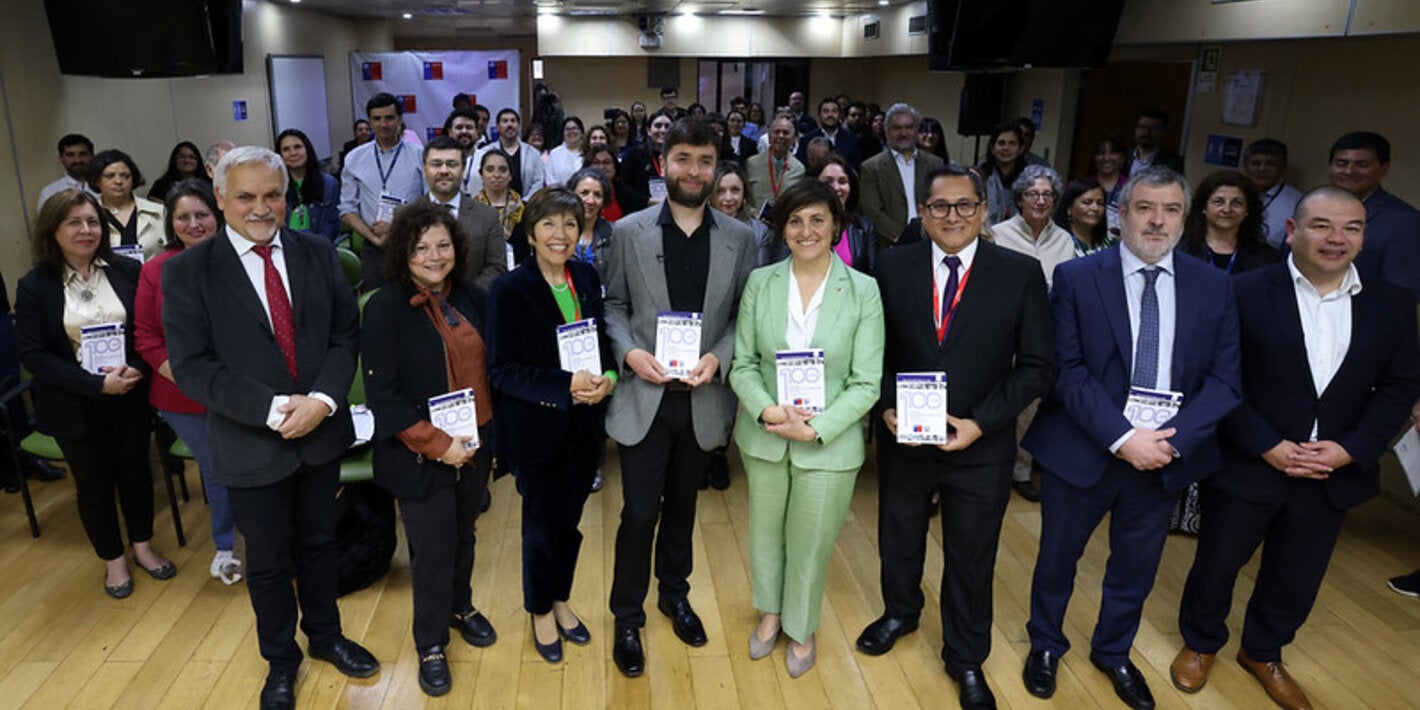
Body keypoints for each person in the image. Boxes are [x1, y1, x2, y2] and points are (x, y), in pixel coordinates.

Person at [1171, 187, 1420, 710]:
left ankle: (1263, 651)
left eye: (1351, 228)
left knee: (1297, 574)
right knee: (1217, 564)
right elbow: (1220, 379)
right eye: (1322, 225)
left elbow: (1399, 388)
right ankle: (1201, 642)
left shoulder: (1392, 303)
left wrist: (1350, 449)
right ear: (1292, 231)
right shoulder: (1242, 291)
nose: (1336, 238)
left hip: (1330, 471)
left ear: (1363, 236)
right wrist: (1266, 444)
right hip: (1250, 461)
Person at [1021, 166, 1241, 710]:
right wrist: (1124, 437)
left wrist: (1170, 439)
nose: (1157, 220)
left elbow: (1225, 380)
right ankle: (1046, 643)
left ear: (1185, 219)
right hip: (1084, 447)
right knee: (1057, 558)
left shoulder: (1214, 286)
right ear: (1121, 214)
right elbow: (1067, 370)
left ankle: (1113, 651)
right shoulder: (1077, 278)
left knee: (1136, 566)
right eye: (1144, 207)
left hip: (1165, 454)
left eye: (1170, 209)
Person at [164, 147, 376, 710]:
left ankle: (327, 637)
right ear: (220, 200)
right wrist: (278, 408)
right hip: (251, 437)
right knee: (269, 563)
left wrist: (325, 400)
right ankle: (281, 660)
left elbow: (343, 336)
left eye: (273, 195)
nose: (262, 208)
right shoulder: (187, 271)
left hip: (321, 431)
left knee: (320, 544)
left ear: (287, 196)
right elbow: (193, 366)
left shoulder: (317, 252)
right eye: (247, 197)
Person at [858, 165, 1054, 710]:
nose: (954, 216)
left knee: (972, 554)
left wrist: (980, 423)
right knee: (898, 534)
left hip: (979, 442)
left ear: (984, 210)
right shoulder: (891, 267)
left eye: (965, 205)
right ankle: (900, 611)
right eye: (940, 207)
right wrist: (885, 406)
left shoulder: (1019, 273)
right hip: (905, 436)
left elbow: (1037, 366)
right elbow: (869, 350)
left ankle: (965, 657)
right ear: (923, 212)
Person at [603, 116, 757, 678]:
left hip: (704, 396)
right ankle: (626, 614)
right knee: (639, 511)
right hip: (645, 396)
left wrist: (721, 353)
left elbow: (746, 313)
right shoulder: (629, 232)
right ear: (662, 163)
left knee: (685, 507)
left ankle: (674, 592)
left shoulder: (743, 239)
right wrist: (627, 354)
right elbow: (613, 305)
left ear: (718, 168)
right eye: (684, 159)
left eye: (705, 161)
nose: (694, 171)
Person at [730, 179, 884, 678]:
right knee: (765, 535)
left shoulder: (863, 290)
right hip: (767, 433)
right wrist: (767, 412)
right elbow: (743, 365)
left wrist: (818, 427)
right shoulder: (761, 282)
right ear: (782, 228)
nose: (806, 230)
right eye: (795, 220)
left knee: (812, 539)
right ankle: (770, 613)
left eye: (818, 219)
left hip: (829, 442)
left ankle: (801, 624)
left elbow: (866, 382)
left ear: (837, 225)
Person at [362, 201, 500, 697]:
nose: (434, 256)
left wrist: (481, 440)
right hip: (420, 450)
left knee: (465, 535)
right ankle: (431, 642)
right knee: (432, 549)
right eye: (421, 247)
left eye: (443, 245)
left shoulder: (470, 295)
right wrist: (439, 445)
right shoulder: (383, 306)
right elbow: (385, 396)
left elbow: (491, 369)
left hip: (475, 442)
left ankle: (460, 607)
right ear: (403, 252)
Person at [15, 189, 171, 599]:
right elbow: (34, 354)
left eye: (92, 222)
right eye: (74, 222)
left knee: (136, 474)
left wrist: (134, 368)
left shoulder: (126, 271)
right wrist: (96, 384)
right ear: (53, 230)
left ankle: (142, 546)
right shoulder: (35, 286)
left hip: (130, 393)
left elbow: (148, 331)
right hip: (75, 403)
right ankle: (113, 560)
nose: (86, 230)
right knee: (94, 484)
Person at [487, 187, 616, 665]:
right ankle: (541, 608)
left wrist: (610, 379)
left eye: (568, 224)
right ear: (530, 232)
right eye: (548, 225)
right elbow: (502, 370)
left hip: (585, 425)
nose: (559, 235)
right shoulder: (509, 289)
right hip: (537, 430)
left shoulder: (584, 275)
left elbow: (601, 343)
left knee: (570, 524)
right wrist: (566, 384)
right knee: (542, 526)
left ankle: (561, 598)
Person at [133, 180, 241, 585]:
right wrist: (186, 375)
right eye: (184, 217)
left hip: (242, 386)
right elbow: (145, 335)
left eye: (202, 214)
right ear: (171, 223)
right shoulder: (156, 271)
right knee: (217, 465)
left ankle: (267, 540)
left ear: (218, 215)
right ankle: (228, 545)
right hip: (181, 392)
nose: (194, 223)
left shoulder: (241, 260)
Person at [990, 165, 1075, 504]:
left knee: (1030, 406)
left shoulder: (1064, 240)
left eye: (1047, 195)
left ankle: (1022, 470)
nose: (1040, 200)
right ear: (1020, 199)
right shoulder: (998, 234)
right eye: (1032, 194)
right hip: (1003, 335)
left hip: (1043, 336)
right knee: (999, 402)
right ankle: (994, 468)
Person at [340, 92, 427, 289]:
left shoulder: (419, 156)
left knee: (414, 303)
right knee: (378, 304)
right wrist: (374, 240)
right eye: (376, 119)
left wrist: (396, 225)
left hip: (411, 242)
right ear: (370, 122)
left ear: (400, 120)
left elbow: (427, 202)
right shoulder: (354, 158)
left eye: (389, 118)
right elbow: (347, 210)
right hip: (373, 246)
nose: (383, 124)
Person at [1328, 131, 1420, 301]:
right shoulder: (1312, 207)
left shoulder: (1405, 222)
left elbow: (1402, 295)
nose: (1349, 171)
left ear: (1383, 169)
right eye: (1341, 163)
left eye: (1361, 164)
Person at [407, 136, 506, 290]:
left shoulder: (488, 216)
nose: (444, 171)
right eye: (436, 164)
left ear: (463, 170)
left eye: (452, 164)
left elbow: (497, 267)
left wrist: (467, 299)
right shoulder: (406, 216)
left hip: (474, 306)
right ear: (425, 170)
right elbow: (400, 267)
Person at [860, 103, 946, 245]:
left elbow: (940, 201)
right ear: (886, 131)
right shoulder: (871, 167)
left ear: (917, 130)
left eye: (909, 127)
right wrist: (903, 237)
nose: (904, 133)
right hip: (891, 243)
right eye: (897, 128)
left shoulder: (935, 163)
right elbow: (872, 210)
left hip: (930, 239)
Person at [1181, 170, 1281, 275]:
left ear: (1247, 210)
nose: (1227, 209)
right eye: (1218, 202)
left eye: (1236, 203)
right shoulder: (1180, 249)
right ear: (1204, 207)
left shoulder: (1268, 258)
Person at [88, 149, 165, 261]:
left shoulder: (158, 211)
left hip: (154, 276)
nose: (118, 181)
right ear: (96, 181)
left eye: (125, 176)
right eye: (110, 176)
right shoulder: (89, 214)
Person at [809, 154, 877, 274]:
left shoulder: (863, 227)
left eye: (842, 181)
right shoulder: (798, 225)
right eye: (828, 181)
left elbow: (871, 274)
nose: (836, 187)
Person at [276, 129, 341, 243]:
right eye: (286, 149)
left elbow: (330, 227)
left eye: (298, 147)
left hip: (319, 250)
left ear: (307, 149)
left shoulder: (328, 184)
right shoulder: (276, 187)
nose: (293, 153)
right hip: (287, 250)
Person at [1241, 139, 1302, 249]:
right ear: (1245, 166)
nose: (1262, 169)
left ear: (1283, 167)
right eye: (1255, 163)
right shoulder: (1232, 194)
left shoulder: (1297, 202)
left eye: (1270, 164)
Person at [712, 161, 774, 266]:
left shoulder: (759, 232)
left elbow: (759, 275)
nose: (728, 198)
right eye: (720, 191)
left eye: (735, 190)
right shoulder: (698, 227)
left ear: (744, 193)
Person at [471, 150, 524, 264]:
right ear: (481, 175)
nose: (496, 175)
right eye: (490, 169)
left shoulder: (523, 209)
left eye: (503, 170)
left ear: (510, 175)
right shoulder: (471, 209)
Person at [746, 116, 806, 216]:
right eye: (777, 132)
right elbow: (743, 197)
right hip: (755, 225)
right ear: (769, 137)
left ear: (793, 139)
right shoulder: (752, 163)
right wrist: (751, 212)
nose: (781, 136)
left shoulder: (799, 169)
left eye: (786, 133)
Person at [568, 168, 615, 278]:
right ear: (571, 195)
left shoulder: (614, 234)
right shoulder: (558, 233)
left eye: (597, 195)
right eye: (584, 193)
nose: (590, 200)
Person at [620, 110, 674, 208]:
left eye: (667, 126)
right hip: (642, 211)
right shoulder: (634, 155)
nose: (663, 130)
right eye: (658, 126)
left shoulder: (679, 157)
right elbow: (624, 189)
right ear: (649, 130)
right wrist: (648, 201)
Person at [979, 123, 1028, 225]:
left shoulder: (1029, 178)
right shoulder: (980, 176)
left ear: (1021, 149)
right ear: (992, 148)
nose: (1006, 148)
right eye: (1001, 143)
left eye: (1012, 143)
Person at [1054, 179, 1116, 257]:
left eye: (1100, 203)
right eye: (1087, 202)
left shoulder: (1111, 242)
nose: (1095, 208)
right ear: (1069, 208)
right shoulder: (1056, 240)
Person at [584, 146, 646, 223]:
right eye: (596, 163)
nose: (601, 167)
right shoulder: (578, 192)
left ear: (615, 167)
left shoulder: (626, 194)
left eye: (607, 162)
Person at [798, 97, 862, 169]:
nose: (830, 115)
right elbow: (803, 168)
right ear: (819, 115)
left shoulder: (851, 140)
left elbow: (855, 168)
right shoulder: (806, 140)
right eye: (825, 111)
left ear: (840, 115)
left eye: (834, 111)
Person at [37, 133, 97, 209]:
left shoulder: (105, 187)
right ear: (61, 159)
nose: (77, 160)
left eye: (83, 154)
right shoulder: (50, 192)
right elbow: (46, 220)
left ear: (92, 156)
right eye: (70, 155)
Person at [1090, 136, 1130, 234]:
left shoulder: (1132, 188)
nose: (1106, 158)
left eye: (1113, 153)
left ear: (1122, 158)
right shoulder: (1081, 186)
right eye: (1101, 153)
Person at [1131, 108, 1186, 176]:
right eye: (1142, 127)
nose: (1146, 132)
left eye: (1153, 128)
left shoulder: (1173, 163)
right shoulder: (1124, 157)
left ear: (1163, 132)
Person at [545, 116, 588, 187]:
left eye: (574, 128)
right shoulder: (554, 154)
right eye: (567, 129)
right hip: (560, 195)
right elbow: (550, 178)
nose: (571, 132)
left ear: (582, 132)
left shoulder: (588, 152)